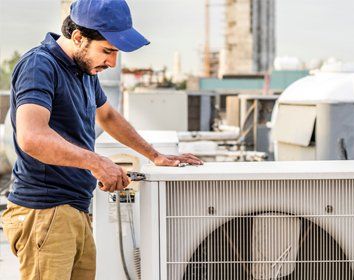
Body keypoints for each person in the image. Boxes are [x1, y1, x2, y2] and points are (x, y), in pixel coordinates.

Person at [1, 0, 203, 279]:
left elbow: (108, 117)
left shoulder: (84, 70)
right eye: (107, 51)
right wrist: (96, 163)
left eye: (116, 53)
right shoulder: (40, 65)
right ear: (78, 37)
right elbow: (32, 136)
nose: (112, 62)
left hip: (75, 209)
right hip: (45, 212)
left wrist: (155, 155)